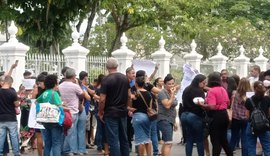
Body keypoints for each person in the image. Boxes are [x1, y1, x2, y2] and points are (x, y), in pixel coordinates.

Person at [98, 57, 131, 156]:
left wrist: (100, 112)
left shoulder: (106, 80)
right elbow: (129, 96)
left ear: (107, 67)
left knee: (113, 139)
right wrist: (128, 107)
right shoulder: (125, 78)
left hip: (111, 112)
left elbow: (102, 99)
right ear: (117, 66)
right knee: (124, 138)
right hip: (122, 111)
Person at [198, 72, 233, 156]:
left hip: (216, 117)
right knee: (224, 140)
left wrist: (202, 105)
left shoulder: (212, 91)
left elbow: (212, 106)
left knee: (215, 141)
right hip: (224, 115)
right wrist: (219, 105)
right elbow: (228, 102)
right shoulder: (223, 89)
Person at [36, 74, 64, 156]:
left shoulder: (44, 93)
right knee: (56, 143)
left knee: (47, 143)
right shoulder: (54, 93)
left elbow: (37, 102)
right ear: (54, 84)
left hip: (45, 121)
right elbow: (60, 107)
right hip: (54, 121)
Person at [59, 68, 85, 155]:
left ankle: (63, 149)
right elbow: (82, 95)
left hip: (63, 111)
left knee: (63, 132)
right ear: (74, 76)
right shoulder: (75, 86)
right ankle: (68, 150)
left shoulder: (60, 86)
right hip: (73, 111)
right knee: (71, 132)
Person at [181, 74, 207, 156]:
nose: (204, 85)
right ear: (198, 82)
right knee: (199, 139)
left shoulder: (187, 89)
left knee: (189, 139)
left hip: (184, 115)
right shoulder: (199, 91)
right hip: (194, 116)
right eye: (203, 83)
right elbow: (202, 104)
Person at [245, 81, 270, 155]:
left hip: (252, 126)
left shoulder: (249, 100)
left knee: (251, 147)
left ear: (254, 88)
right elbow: (269, 114)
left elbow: (247, 116)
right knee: (267, 147)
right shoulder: (267, 99)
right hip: (264, 126)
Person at [130, 76, 152, 156]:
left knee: (140, 141)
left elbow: (130, 105)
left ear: (136, 83)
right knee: (147, 139)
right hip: (147, 117)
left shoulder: (135, 94)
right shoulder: (149, 94)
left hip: (137, 117)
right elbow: (150, 108)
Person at [157, 74, 178, 156]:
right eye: (169, 84)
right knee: (168, 143)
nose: (171, 85)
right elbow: (167, 105)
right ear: (164, 84)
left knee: (167, 142)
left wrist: (174, 122)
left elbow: (173, 109)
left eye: (173, 83)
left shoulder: (170, 92)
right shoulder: (162, 93)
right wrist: (172, 95)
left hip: (170, 120)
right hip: (164, 119)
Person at [230, 78, 251, 156]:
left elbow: (231, 104)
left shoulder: (234, 93)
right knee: (245, 139)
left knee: (233, 137)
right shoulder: (250, 95)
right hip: (246, 118)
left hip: (235, 118)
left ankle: (230, 153)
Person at [0, 75, 20, 156]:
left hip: (1, 118)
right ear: (10, 82)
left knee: (1, 137)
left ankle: (0, 153)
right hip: (11, 118)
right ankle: (16, 153)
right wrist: (18, 102)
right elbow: (16, 105)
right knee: (14, 136)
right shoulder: (12, 92)